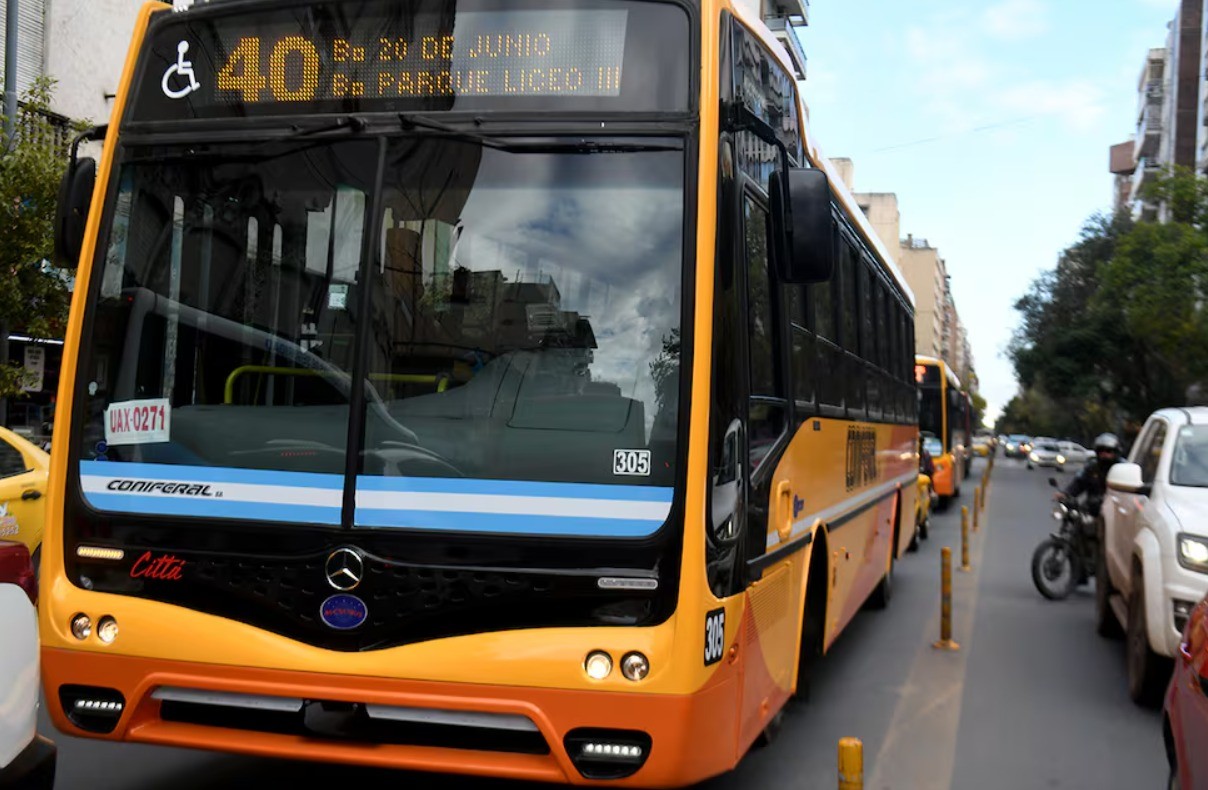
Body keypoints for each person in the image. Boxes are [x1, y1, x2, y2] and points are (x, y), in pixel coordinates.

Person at [1056, 432, 1123, 584]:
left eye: (1109, 451)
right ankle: (1080, 570)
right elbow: (1078, 483)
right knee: (1074, 525)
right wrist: (1064, 494)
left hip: (1114, 514)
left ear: (1115, 452)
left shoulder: (1122, 469)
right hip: (1091, 508)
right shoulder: (1091, 467)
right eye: (1102, 451)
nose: (1105, 454)